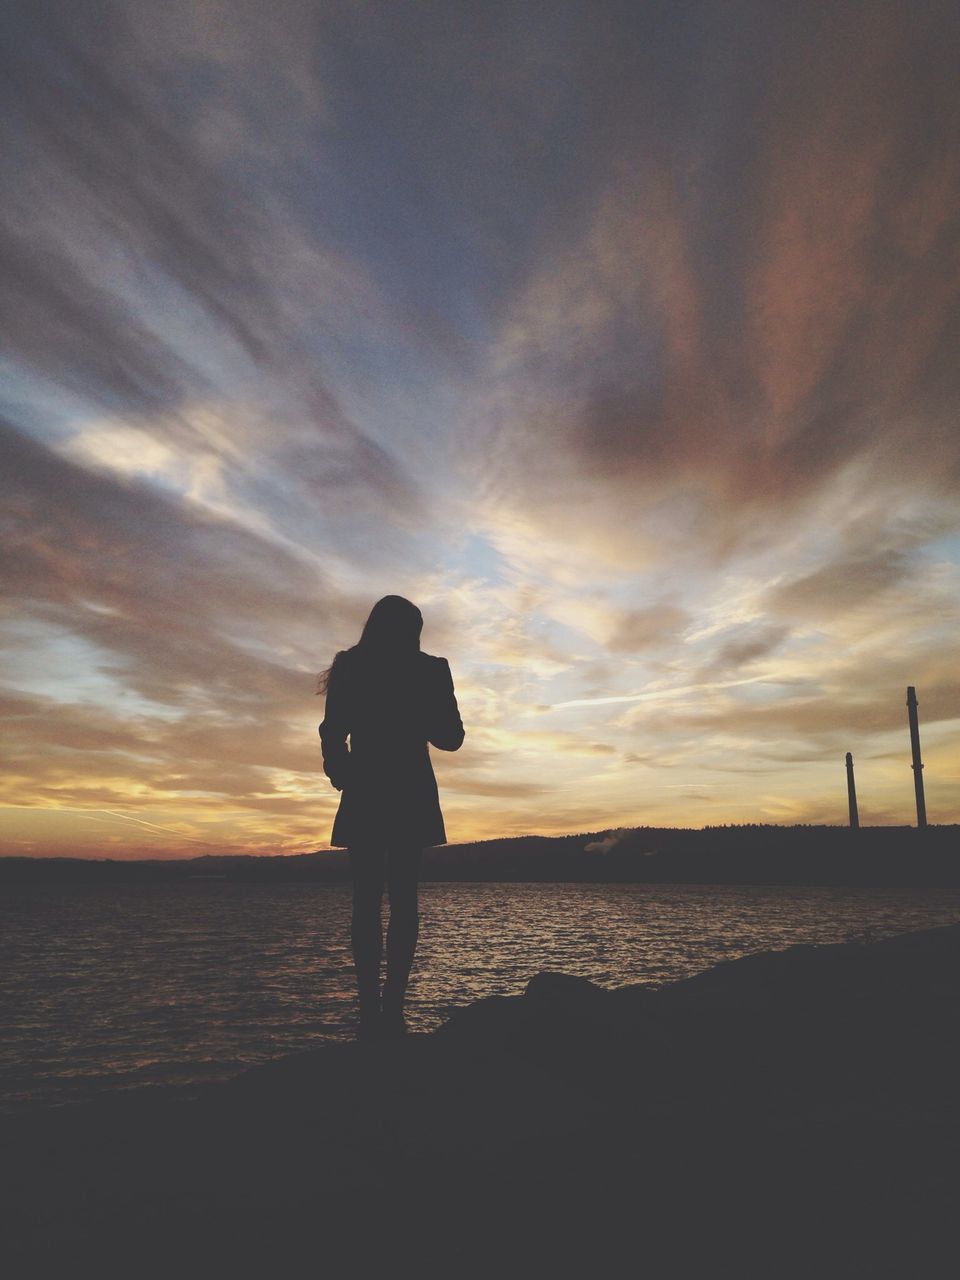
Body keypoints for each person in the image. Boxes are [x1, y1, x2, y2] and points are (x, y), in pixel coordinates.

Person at [318, 596, 465, 1039]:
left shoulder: (355, 666)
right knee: (400, 900)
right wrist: (340, 767)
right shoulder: (428, 669)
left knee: (370, 901)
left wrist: (340, 769)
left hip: (372, 789)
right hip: (405, 790)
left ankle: (376, 1015)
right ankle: (388, 1014)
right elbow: (452, 738)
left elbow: (332, 733)